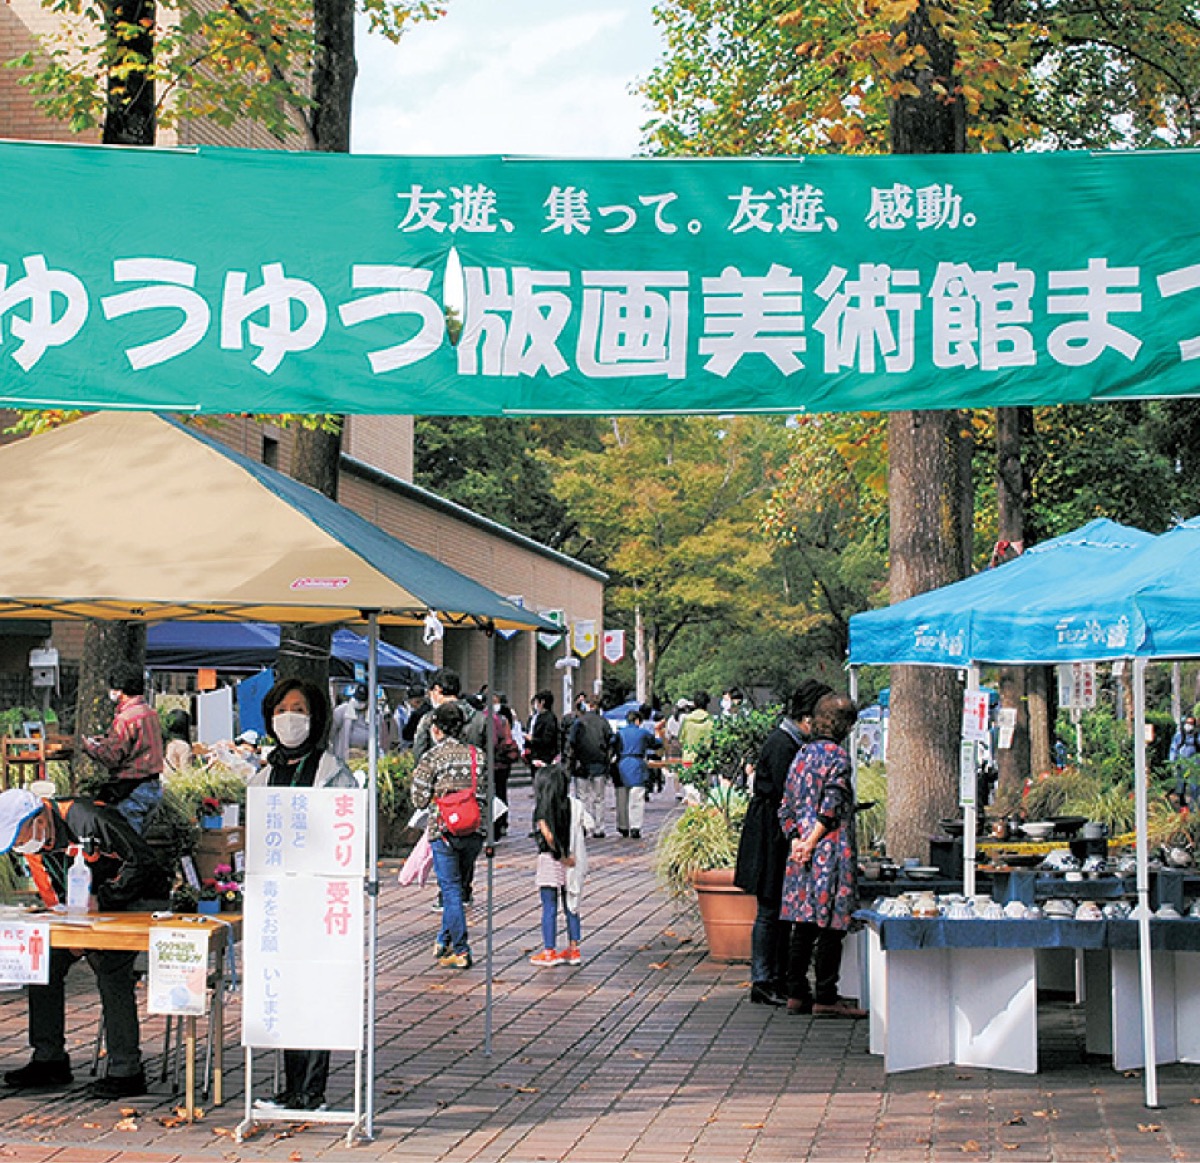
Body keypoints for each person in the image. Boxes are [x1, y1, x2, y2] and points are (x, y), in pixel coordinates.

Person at [0, 786, 171, 1099]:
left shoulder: (88, 817)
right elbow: (51, 894)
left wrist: (105, 898)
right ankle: (49, 1058)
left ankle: (126, 1069)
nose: (22, 845)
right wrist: (68, 930)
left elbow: (143, 861)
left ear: (38, 819)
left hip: (134, 903)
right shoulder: (35, 849)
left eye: (21, 836)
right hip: (80, 912)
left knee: (111, 968)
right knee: (42, 963)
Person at [251, 677, 359, 1112]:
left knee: (316, 992)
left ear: (315, 718)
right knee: (283, 993)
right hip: (278, 902)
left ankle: (312, 1090)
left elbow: (345, 832)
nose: (288, 718)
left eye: (298, 709)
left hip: (319, 900)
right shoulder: (262, 776)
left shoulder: (332, 772)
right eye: (280, 710)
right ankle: (289, 1087)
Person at [734, 680, 832, 1007]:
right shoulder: (782, 744)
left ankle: (772, 976)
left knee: (777, 908)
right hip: (770, 833)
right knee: (770, 907)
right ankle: (763, 979)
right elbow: (784, 793)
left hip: (775, 829)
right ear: (807, 716)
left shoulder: (790, 742)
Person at [778, 692, 864, 1019]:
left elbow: (786, 806)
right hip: (830, 850)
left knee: (804, 923)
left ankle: (796, 992)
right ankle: (826, 995)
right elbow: (830, 806)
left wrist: (797, 842)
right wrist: (813, 841)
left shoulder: (800, 755)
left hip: (800, 854)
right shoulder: (838, 758)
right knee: (831, 924)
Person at [410, 702, 487, 970]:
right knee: (458, 887)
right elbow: (485, 794)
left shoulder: (431, 758)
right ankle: (443, 939)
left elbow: (418, 799)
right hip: (474, 831)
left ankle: (462, 950)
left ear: (437, 729)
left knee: (450, 890)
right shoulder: (478, 755)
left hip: (443, 830)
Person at [80, 663, 164, 835]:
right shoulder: (150, 713)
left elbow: (113, 757)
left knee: (127, 843)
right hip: (152, 786)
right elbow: (138, 746)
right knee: (138, 841)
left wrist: (91, 748)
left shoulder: (125, 719)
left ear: (120, 690)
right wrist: (106, 741)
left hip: (132, 789)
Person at [529, 763, 590, 966]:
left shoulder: (542, 809)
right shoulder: (570, 805)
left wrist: (559, 854)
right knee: (571, 905)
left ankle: (549, 951)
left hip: (550, 860)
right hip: (571, 862)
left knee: (549, 906)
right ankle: (574, 949)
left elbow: (548, 836)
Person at [566, 694, 614, 838]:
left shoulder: (579, 722)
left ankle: (584, 826)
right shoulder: (603, 722)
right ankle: (599, 827)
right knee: (599, 798)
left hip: (581, 765)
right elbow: (611, 740)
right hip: (599, 763)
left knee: (582, 797)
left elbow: (572, 742)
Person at [412, 668, 486, 761]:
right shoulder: (481, 719)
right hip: (475, 773)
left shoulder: (429, 719)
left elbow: (419, 755)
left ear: (437, 689)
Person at [614, 709, 661, 839]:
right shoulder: (643, 733)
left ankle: (623, 826)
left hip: (621, 765)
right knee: (637, 798)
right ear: (638, 721)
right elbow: (657, 744)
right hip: (637, 764)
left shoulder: (619, 733)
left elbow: (612, 744)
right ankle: (635, 827)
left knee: (622, 798)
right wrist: (658, 735)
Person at [329, 684, 372, 760]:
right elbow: (331, 732)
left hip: (363, 756)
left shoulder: (373, 714)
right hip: (344, 755)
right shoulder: (342, 710)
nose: (359, 703)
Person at [1170, 714, 1200, 806]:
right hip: (1181, 764)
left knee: (1194, 787)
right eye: (1187, 723)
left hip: (1194, 765)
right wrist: (1172, 762)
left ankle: (1193, 808)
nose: (1189, 725)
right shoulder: (1179, 736)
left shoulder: (1197, 736)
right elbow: (1173, 749)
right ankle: (1182, 805)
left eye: (1191, 723)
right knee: (1180, 786)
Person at [678, 691, 715, 764]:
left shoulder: (687, 720)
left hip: (688, 759)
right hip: (705, 760)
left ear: (694, 704)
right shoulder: (711, 721)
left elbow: (681, 739)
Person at [526, 689, 559, 768]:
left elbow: (547, 739)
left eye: (537, 702)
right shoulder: (537, 717)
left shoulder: (549, 718)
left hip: (544, 758)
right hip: (536, 756)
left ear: (542, 702)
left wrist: (532, 739)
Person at [162, 708, 195, 777]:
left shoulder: (165, 743)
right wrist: (209, 765)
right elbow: (187, 776)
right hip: (172, 785)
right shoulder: (184, 747)